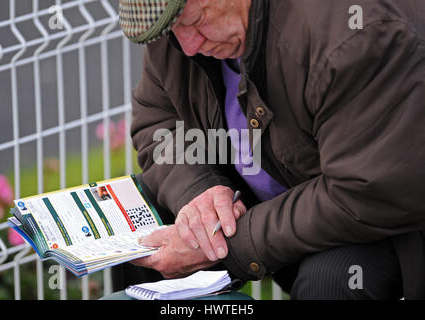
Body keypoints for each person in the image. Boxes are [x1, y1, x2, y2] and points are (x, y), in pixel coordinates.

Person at [117, 0, 425, 299]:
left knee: (332, 280)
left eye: (196, 22)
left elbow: (362, 193)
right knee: (148, 228)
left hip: (387, 225)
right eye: (173, 30)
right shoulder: (176, 22)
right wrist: (200, 194)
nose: (188, 47)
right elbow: (156, 118)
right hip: (273, 200)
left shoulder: (351, 34)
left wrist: (226, 240)